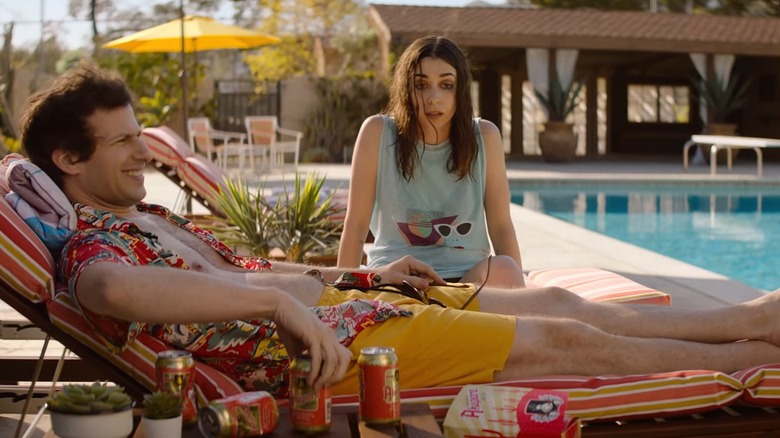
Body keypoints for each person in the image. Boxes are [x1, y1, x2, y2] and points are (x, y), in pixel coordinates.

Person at [20, 64, 780, 401]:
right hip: (344, 352)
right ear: (69, 158)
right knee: (558, 341)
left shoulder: (147, 217)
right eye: (122, 143)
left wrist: (358, 277)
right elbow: (109, 290)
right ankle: (751, 359)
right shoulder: (95, 242)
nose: (145, 151)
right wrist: (282, 308)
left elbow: (245, 274)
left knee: (554, 299)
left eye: (137, 136)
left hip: (362, 307)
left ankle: (746, 318)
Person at [338, 35, 524, 287]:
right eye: (421, 85)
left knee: (504, 268)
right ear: (406, 88)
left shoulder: (485, 136)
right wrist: (341, 294)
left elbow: (501, 228)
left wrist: (521, 295)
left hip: (466, 283)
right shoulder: (377, 132)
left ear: (461, 90)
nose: (433, 97)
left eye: (446, 85)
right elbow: (356, 225)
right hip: (398, 279)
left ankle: (441, 315)